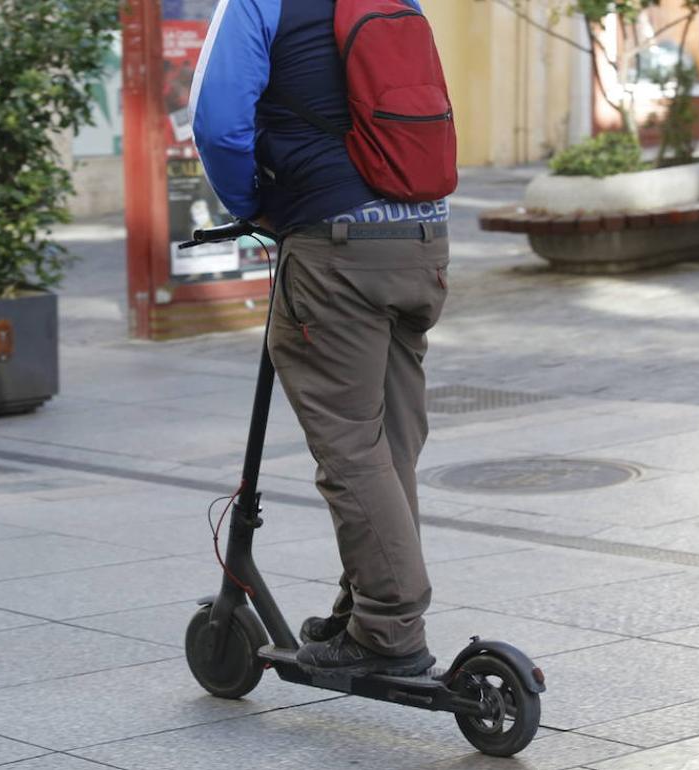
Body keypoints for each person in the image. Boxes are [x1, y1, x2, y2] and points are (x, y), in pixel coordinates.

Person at [190, 0, 451, 677]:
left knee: (350, 445)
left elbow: (218, 125)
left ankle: (389, 627)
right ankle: (367, 603)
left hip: (336, 243)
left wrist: (253, 206)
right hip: (423, 236)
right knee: (391, 440)